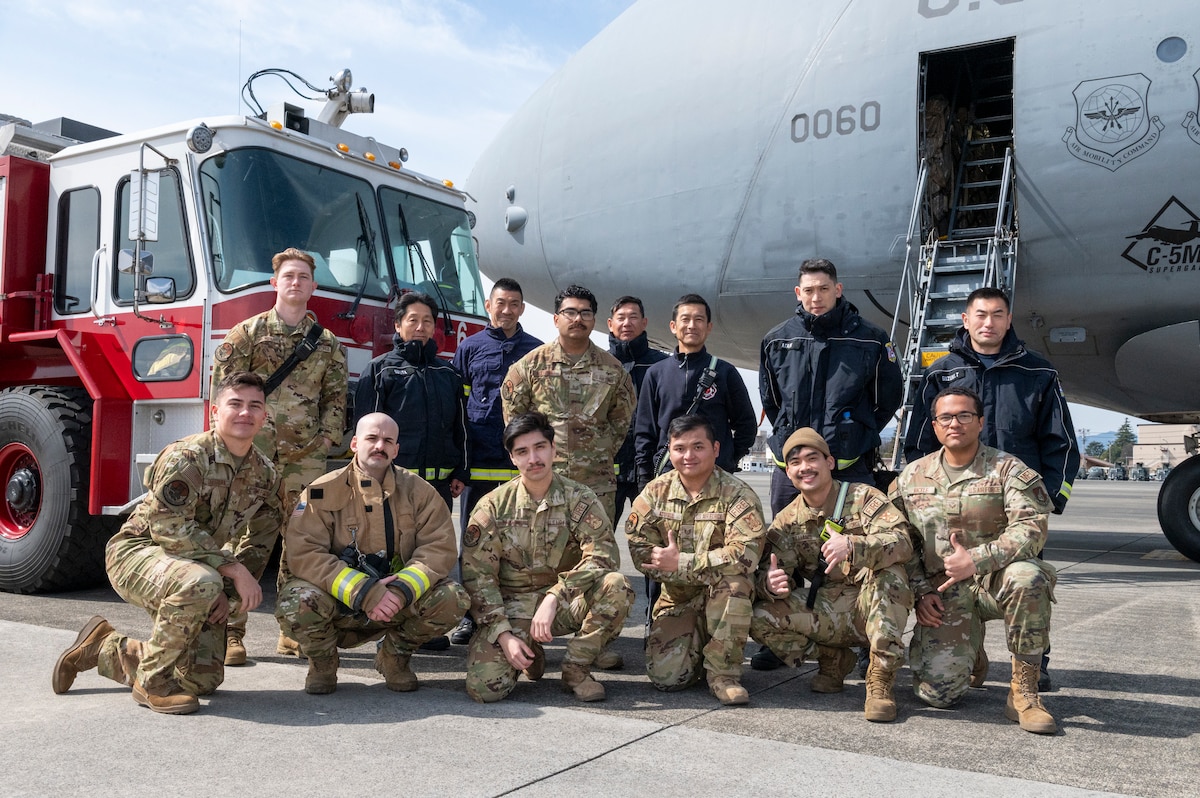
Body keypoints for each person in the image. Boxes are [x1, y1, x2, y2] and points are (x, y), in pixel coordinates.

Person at [51, 372, 282, 714]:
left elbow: (260, 541)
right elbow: (167, 526)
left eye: (254, 406)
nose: (244, 413)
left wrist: (230, 593)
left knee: (201, 680)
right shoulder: (187, 457)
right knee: (201, 583)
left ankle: (102, 647)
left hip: (197, 566)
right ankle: (152, 682)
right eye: (235, 404)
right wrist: (227, 570)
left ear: (264, 417)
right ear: (214, 412)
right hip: (138, 552)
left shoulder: (265, 475)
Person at [903, 286, 1079, 690]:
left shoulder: (1038, 372)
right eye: (980, 315)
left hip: (1016, 508)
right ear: (965, 320)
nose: (989, 322)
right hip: (956, 510)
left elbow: (1062, 443)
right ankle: (968, 650)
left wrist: (1050, 500)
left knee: (1025, 581)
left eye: (997, 315)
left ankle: (1032, 667)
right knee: (953, 600)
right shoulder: (941, 372)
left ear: (1008, 320)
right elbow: (918, 443)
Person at [892, 387, 1058, 734]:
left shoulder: (1007, 468)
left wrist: (979, 560)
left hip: (994, 581)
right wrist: (922, 591)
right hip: (943, 592)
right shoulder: (911, 477)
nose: (955, 423)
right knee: (937, 694)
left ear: (980, 422)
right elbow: (899, 541)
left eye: (964, 415)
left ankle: (1023, 691)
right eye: (946, 417)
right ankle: (972, 651)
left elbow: (1032, 527)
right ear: (935, 426)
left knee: (1029, 577)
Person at [210, 247, 347, 665]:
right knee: (248, 540)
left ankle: (291, 630)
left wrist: (326, 442)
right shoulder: (247, 335)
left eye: (303, 277)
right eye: (288, 276)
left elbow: (335, 399)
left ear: (313, 287)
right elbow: (224, 393)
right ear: (275, 283)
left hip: (305, 460)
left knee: (302, 544)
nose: (295, 283)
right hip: (253, 459)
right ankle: (231, 631)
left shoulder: (325, 344)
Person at [276, 413, 470, 695]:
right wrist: (363, 591)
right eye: (372, 438)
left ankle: (394, 658)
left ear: (396, 449)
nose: (380, 445)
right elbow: (305, 553)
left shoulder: (421, 492)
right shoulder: (320, 492)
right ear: (354, 443)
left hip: (397, 602)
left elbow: (438, 549)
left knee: (454, 598)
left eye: (387, 440)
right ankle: (323, 663)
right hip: (340, 600)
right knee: (296, 600)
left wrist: (402, 590)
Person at [461, 412, 634, 703]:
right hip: (512, 608)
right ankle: (529, 649)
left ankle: (576, 669)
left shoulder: (579, 497)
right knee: (485, 689)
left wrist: (555, 596)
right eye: (522, 452)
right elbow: (477, 578)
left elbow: (603, 554)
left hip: (564, 604)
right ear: (512, 458)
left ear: (554, 449)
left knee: (617, 586)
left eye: (540, 447)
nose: (534, 458)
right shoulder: (492, 506)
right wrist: (503, 634)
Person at [750, 428, 913, 722]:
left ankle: (880, 680)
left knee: (891, 577)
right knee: (758, 616)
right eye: (796, 463)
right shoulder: (787, 521)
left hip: (872, 601)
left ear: (830, 462)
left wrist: (854, 545)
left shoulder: (863, 498)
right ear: (788, 473)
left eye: (812, 458)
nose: (805, 468)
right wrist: (770, 584)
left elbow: (902, 543)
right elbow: (770, 569)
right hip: (829, 606)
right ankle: (832, 658)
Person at [625, 415, 767, 705]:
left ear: (715, 449)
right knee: (667, 679)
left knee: (735, 584)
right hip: (678, 597)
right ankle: (699, 642)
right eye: (680, 448)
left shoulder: (737, 494)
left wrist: (681, 563)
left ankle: (723, 674)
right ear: (669, 450)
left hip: (723, 593)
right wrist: (658, 559)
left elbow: (745, 555)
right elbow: (638, 545)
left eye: (698, 447)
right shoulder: (655, 492)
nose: (688, 456)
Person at [759, 258, 903, 513]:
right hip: (792, 465)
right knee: (785, 541)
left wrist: (855, 430)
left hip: (849, 463)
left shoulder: (871, 339)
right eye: (809, 290)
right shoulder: (776, 340)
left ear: (837, 290)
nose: (816, 297)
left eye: (824, 289)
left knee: (853, 542)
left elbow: (888, 399)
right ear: (798, 293)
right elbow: (772, 401)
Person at [450, 278, 542, 645]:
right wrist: (460, 465)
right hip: (480, 463)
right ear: (489, 306)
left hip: (522, 468)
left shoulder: (536, 351)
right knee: (474, 544)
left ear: (522, 308)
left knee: (521, 544)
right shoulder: (469, 348)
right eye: (500, 303)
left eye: (514, 303)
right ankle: (472, 616)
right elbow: (458, 410)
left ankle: (520, 616)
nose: (507, 309)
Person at [502, 283, 636, 526]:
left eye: (585, 313)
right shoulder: (529, 366)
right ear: (556, 319)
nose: (578, 319)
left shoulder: (613, 370)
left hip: (596, 484)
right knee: (543, 555)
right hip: (544, 480)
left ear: (594, 320)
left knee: (596, 555)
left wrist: (594, 453)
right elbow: (515, 422)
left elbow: (620, 424)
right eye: (570, 312)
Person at [354, 291, 468, 509]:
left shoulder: (449, 374)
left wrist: (461, 471)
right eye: (412, 320)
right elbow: (365, 431)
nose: (420, 327)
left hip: (439, 490)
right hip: (391, 485)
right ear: (398, 325)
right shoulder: (379, 370)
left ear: (434, 327)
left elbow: (461, 429)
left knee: (435, 543)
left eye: (427, 321)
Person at [635, 293, 757, 487]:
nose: (692, 325)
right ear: (673, 326)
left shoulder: (725, 372)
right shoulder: (655, 373)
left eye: (699, 319)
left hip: (716, 475)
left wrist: (727, 459)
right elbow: (644, 431)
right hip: (668, 475)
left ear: (709, 328)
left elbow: (747, 424)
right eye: (685, 319)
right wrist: (644, 476)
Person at [607, 295, 668, 514]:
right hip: (607, 473)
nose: (627, 323)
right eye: (621, 317)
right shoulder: (600, 365)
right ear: (610, 323)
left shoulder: (662, 365)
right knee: (597, 540)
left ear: (644, 323)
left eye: (633, 317)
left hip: (650, 471)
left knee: (651, 540)